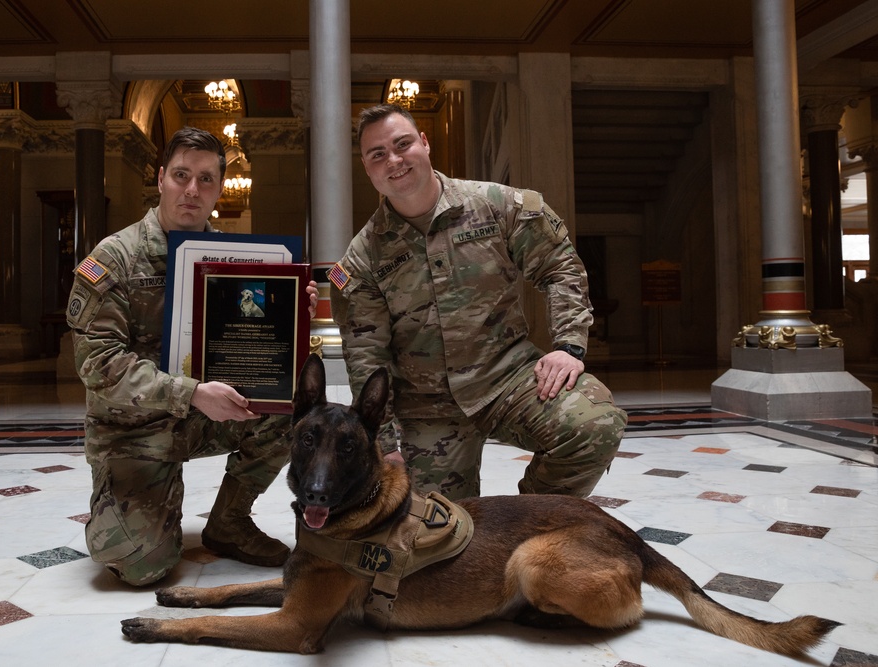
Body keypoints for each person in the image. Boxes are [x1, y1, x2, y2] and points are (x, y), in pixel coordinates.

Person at [329, 104, 626, 501]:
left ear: (424, 143)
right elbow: (367, 358)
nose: (394, 161)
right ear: (367, 169)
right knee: (435, 528)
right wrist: (382, 444)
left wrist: (568, 346)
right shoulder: (362, 258)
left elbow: (559, 266)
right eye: (377, 154)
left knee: (594, 426)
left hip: (508, 380)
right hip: (427, 407)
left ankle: (529, 522)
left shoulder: (497, 205)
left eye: (402, 144)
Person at [66, 126, 317, 586]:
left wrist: (293, 311)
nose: (192, 189)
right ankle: (135, 499)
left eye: (206, 179)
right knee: (141, 564)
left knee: (292, 409)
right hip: (133, 429)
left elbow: (260, 343)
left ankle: (229, 521)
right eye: (181, 175)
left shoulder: (235, 257)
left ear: (219, 189)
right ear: (161, 178)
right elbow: (97, 364)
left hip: (204, 417)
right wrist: (192, 393)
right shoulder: (115, 258)